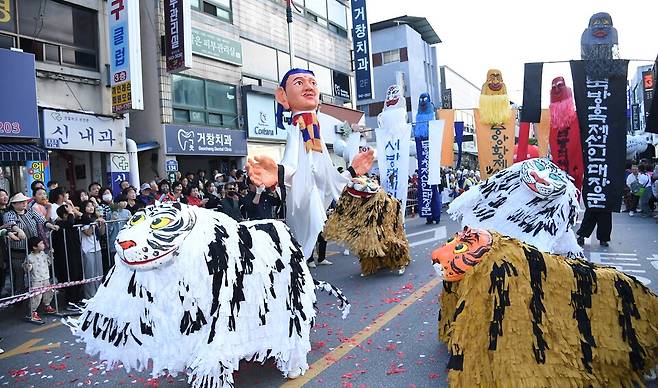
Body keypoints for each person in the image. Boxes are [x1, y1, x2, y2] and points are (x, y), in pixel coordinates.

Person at [246, 68, 374, 259]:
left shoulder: (315, 128)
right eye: (299, 83)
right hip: (302, 198)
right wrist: (278, 175)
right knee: (299, 246)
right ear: (283, 96)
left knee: (305, 245)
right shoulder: (296, 128)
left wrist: (352, 171)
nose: (308, 87)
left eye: (313, 83)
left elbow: (324, 173)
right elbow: (294, 165)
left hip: (312, 195)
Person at [3, 192, 59, 293]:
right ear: (14, 204)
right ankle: (19, 297)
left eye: (25, 201)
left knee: (37, 275)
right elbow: (11, 224)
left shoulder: (30, 211)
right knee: (19, 276)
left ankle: (36, 297)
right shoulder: (9, 214)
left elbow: (41, 220)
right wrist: (19, 230)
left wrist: (51, 226)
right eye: (20, 202)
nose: (24, 203)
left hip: (34, 250)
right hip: (18, 251)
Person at [52, 204, 84, 310]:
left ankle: (77, 300)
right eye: (70, 213)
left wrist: (77, 212)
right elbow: (69, 223)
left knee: (78, 275)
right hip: (65, 255)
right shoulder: (60, 224)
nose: (73, 214)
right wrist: (70, 212)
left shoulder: (72, 222)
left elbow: (87, 220)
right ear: (65, 215)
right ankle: (70, 302)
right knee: (70, 277)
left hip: (75, 252)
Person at [23, 236, 55, 322]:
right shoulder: (29, 257)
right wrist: (28, 267)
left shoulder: (43, 254)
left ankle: (47, 305)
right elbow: (26, 268)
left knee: (48, 292)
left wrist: (50, 255)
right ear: (34, 247)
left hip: (46, 277)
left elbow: (48, 262)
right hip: (36, 280)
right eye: (41, 243)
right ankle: (32, 311)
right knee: (36, 296)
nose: (43, 245)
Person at [79, 200, 105, 299]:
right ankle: (90, 295)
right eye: (88, 206)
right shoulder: (83, 219)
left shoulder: (94, 218)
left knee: (99, 272)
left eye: (92, 206)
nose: (91, 208)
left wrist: (101, 224)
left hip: (97, 247)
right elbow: (88, 232)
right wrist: (94, 223)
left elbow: (101, 233)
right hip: (88, 248)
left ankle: (99, 293)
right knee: (90, 273)